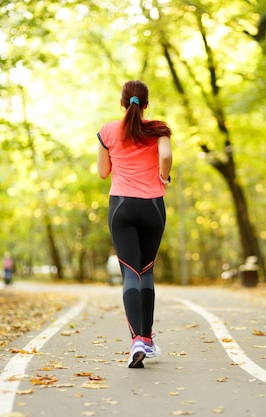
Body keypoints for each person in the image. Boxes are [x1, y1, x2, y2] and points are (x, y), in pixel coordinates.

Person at [96, 80, 172, 369]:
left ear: (122, 103)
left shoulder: (107, 131)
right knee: (147, 272)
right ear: (147, 104)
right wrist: (163, 177)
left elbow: (103, 172)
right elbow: (165, 155)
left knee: (130, 273)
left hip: (122, 207)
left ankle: (136, 340)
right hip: (153, 206)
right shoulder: (158, 128)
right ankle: (149, 339)